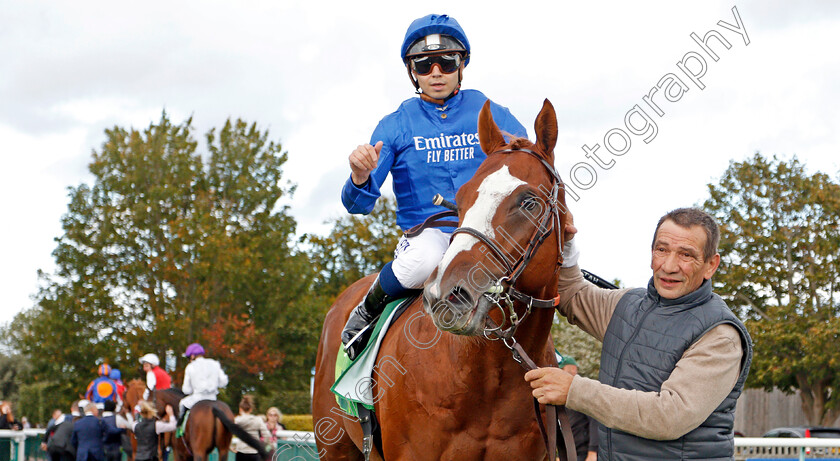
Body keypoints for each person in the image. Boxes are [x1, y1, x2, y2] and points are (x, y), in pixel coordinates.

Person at [340, 13, 528, 359]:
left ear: (462, 64)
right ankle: (366, 310)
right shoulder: (395, 125)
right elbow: (359, 205)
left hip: (486, 230)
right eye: (424, 65)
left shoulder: (490, 111)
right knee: (425, 261)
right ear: (412, 72)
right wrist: (359, 177)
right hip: (431, 233)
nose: (436, 72)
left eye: (446, 61)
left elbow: (525, 166)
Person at [526, 207, 753, 460]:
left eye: (686, 255)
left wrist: (574, 391)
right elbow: (573, 296)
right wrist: (565, 245)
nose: (668, 266)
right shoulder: (626, 305)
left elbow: (669, 416)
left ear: (711, 265)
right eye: (662, 249)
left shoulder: (721, 335)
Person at [554, 354, 597, 461]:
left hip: (584, 454)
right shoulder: (561, 393)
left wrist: (593, 451)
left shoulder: (584, 390)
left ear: (573, 369)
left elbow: (595, 421)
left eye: (562, 369)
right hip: (568, 453)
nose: (559, 373)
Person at [176, 343, 228, 433]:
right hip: (213, 398)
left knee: (182, 404)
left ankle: (180, 429)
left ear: (192, 356)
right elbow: (223, 382)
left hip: (197, 398)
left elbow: (186, 390)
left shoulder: (190, 367)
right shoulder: (214, 363)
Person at [231, 395, 269, 461]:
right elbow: (267, 435)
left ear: (240, 409)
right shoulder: (258, 419)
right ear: (251, 409)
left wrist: (230, 446)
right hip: (254, 451)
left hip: (241, 450)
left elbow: (228, 432)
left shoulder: (237, 420)